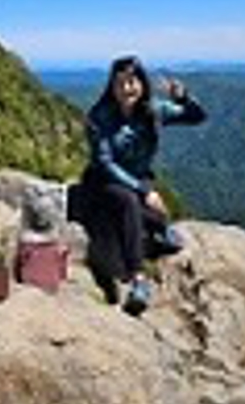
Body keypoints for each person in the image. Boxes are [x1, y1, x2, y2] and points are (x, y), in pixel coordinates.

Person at [80, 55, 207, 316]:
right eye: (120, 83)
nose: (126, 88)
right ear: (111, 86)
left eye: (132, 81)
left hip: (139, 178)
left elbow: (197, 117)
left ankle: (156, 230)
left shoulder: (153, 110)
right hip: (104, 180)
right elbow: (105, 163)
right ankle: (138, 280)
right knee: (128, 202)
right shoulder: (99, 117)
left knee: (155, 218)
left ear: (142, 83)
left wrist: (183, 97)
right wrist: (143, 190)